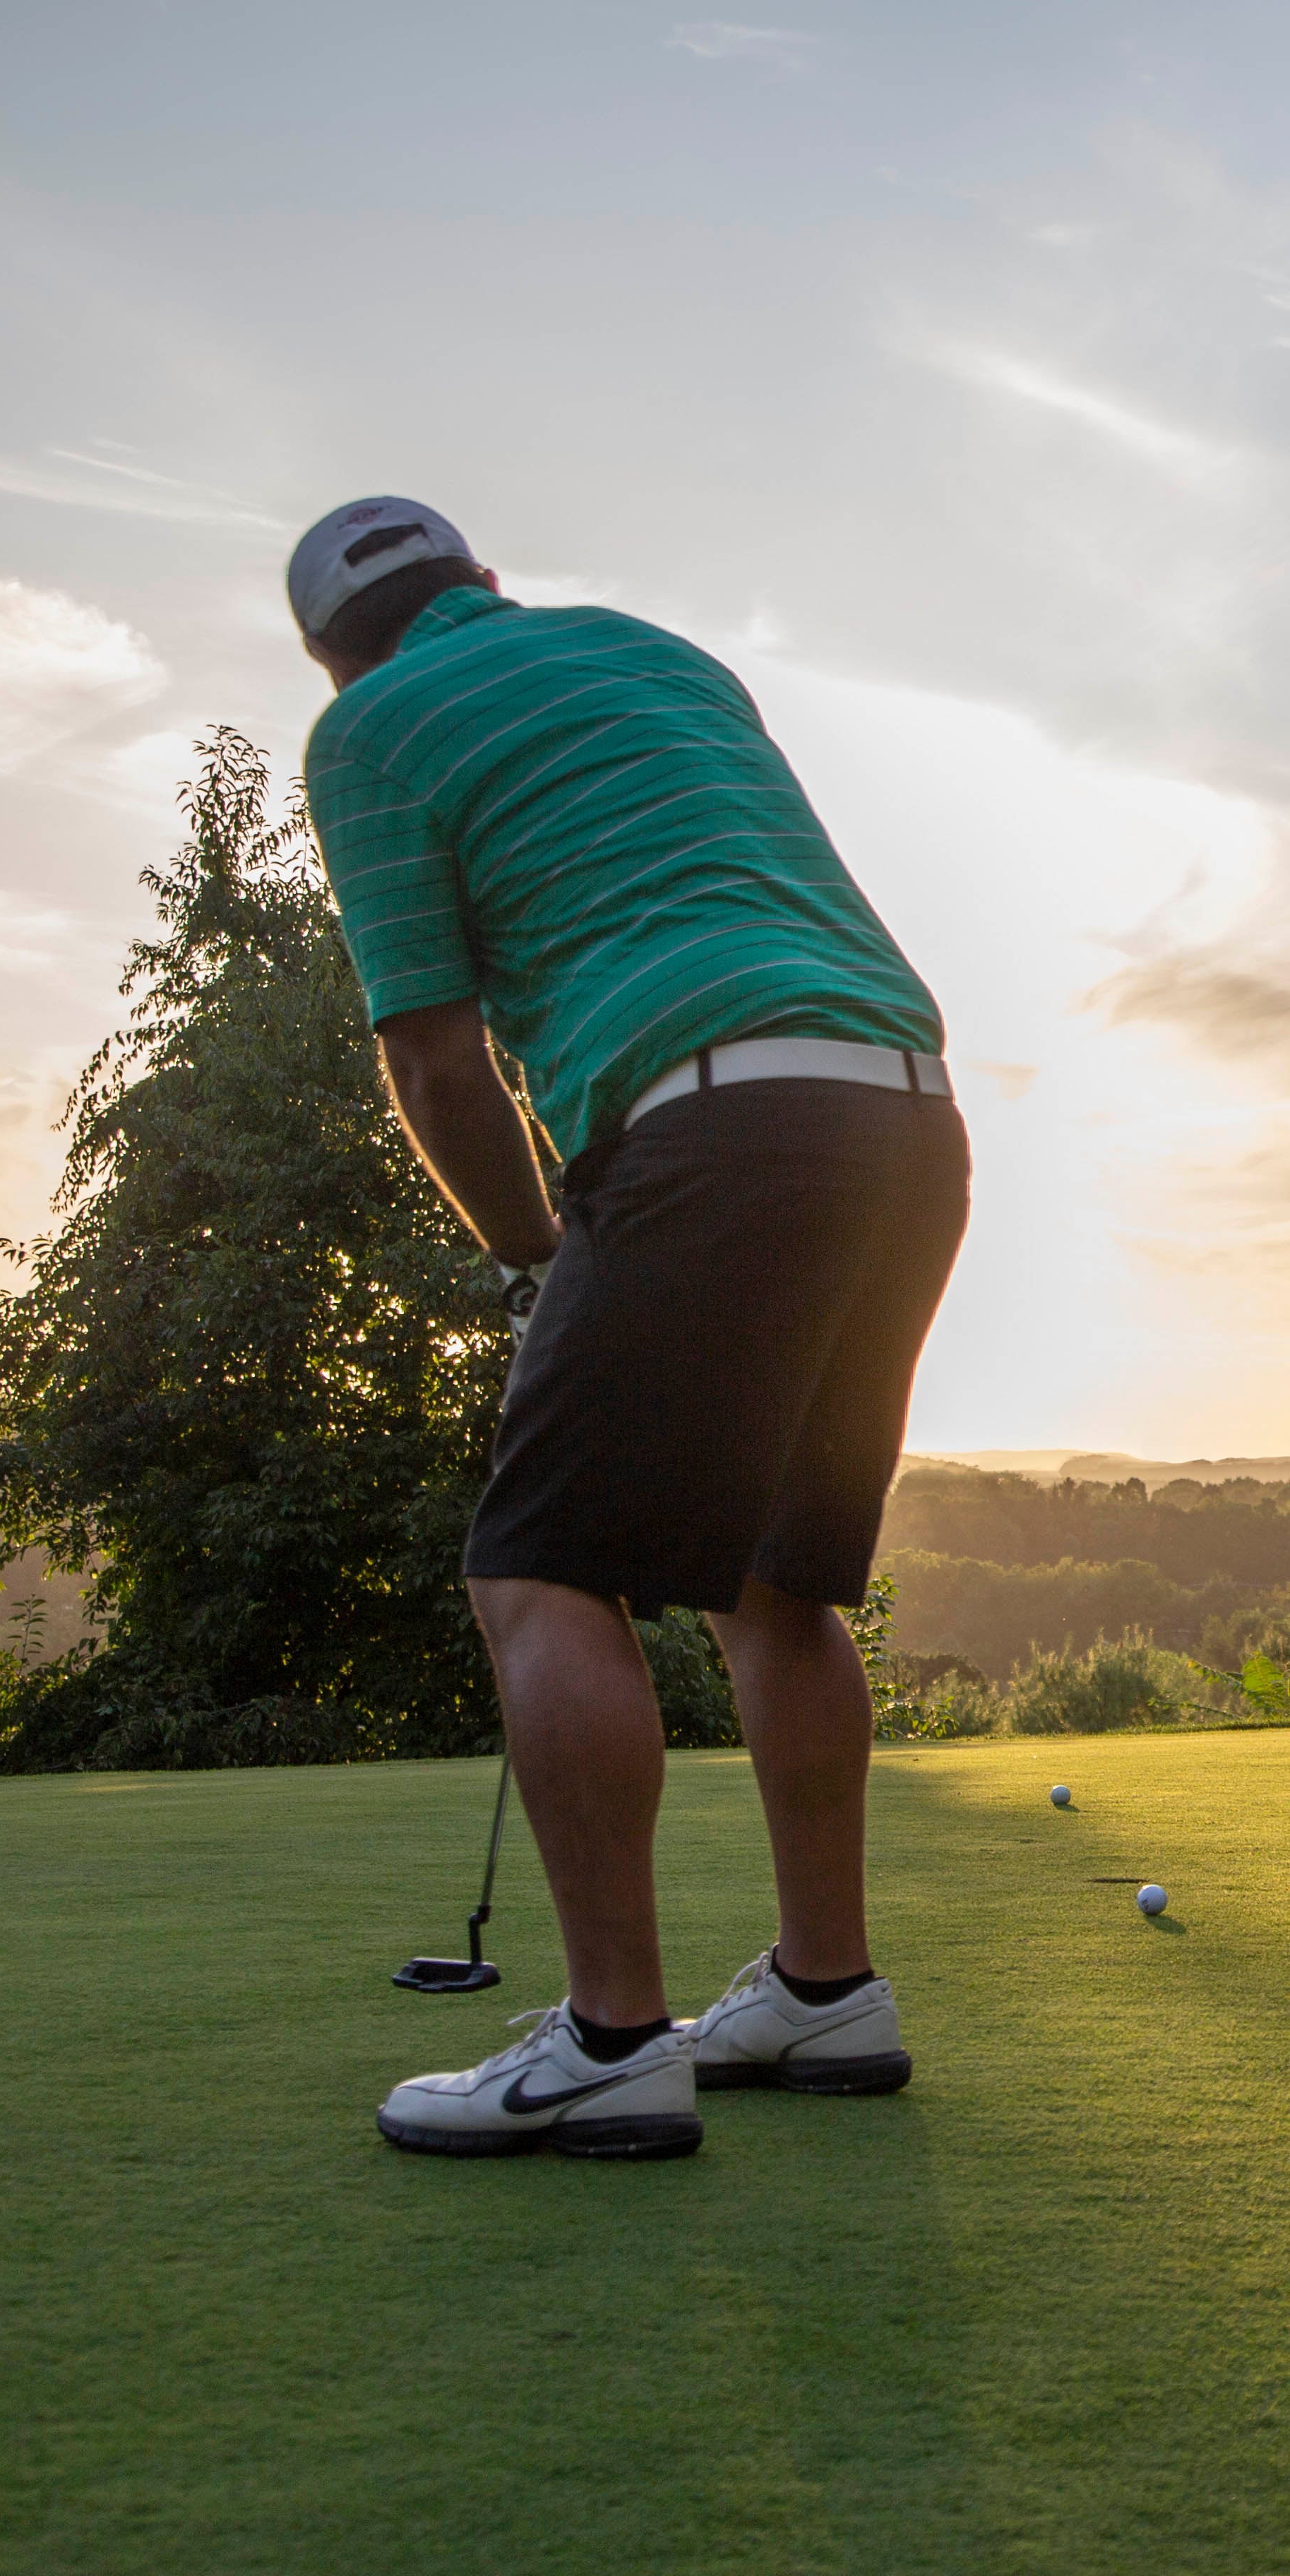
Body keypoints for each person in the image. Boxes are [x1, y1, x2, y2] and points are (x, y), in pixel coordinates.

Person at [289, 498, 967, 2158]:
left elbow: (435, 1058)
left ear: (327, 649)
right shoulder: (654, 651)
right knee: (775, 1581)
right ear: (486, 585)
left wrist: (533, 1251)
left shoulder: (365, 728)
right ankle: (826, 1992)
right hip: (904, 1114)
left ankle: (609, 2040)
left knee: (536, 1570)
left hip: (706, 1123)